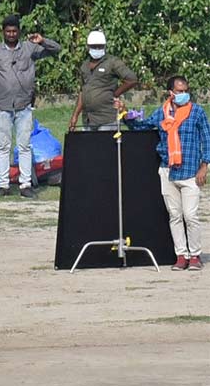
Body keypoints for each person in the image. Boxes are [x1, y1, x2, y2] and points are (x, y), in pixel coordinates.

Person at [120, 76, 210, 271]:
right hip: (167, 170)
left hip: (190, 171)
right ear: (171, 93)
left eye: (185, 90)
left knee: (191, 215)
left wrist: (205, 166)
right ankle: (181, 255)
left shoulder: (197, 112)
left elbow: (207, 138)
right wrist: (125, 114)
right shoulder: (162, 114)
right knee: (175, 215)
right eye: (179, 91)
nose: (183, 94)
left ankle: (195, 255)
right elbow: (141, 126)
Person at [0, 14, 60, 198]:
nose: (11, 34)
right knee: (3, 146)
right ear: (3, 32)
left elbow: (57, 49)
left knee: (24, 145)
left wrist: (42, 40)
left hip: (24, 106)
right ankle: (4, 184)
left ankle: (25, 184)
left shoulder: (29, 48)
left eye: (14, 31)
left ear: (19, 32)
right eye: (7, 31)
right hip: (2, 106)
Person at [68, 30, 138, 132]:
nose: (97, 49)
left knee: (104, 146)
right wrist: (75, 116)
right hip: (89, 119)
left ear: (104, 46)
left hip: (107, 118)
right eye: (94, 46)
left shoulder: (112, 62)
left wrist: (115, 94)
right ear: (88, 47)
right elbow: (82, 92)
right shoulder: (84, 66)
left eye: (99, 46)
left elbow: (132, 79)